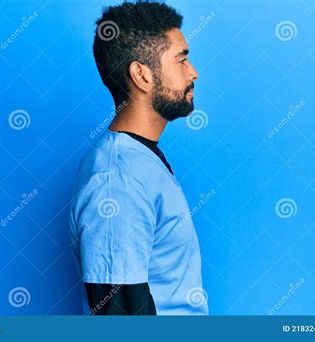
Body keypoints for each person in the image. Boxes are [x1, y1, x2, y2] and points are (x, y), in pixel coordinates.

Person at [69, 1, 208, 315]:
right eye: (181, 60)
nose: (194, 73)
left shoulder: (140, 160)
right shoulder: (118, 181)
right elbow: (119, 319)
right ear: (142, 76)